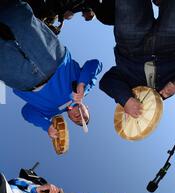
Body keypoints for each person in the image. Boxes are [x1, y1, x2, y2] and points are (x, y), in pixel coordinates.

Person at [0, 1, 102, 139]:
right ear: (87, 108)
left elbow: (27, 112)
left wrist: (46, 126)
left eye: (78, 121)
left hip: (23, 80)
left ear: (71, 120)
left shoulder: (50, 112)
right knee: (20, 18)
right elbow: (95, 64)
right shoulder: (85, 87)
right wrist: (82, 83)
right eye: (85, 116)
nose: (80, 117)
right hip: (51, 58)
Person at [99, 0, 175, 118]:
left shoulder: (129, 87)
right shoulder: (166, 91)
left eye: (135, 111)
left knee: (128, 4)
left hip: (132, 47)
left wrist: (126, 99)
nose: (140, 109)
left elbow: (106, 81)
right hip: (172, 47)